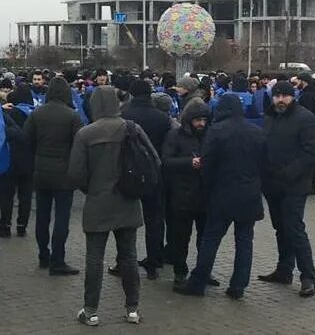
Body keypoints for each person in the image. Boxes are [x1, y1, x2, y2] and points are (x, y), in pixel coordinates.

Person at [68, 85, 151, 326]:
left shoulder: (85, 134)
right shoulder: (132, 128)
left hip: (98, 202)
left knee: (94, 258)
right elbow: (153, 159)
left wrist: (91, 188)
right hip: (128, 200)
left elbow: (75, 174)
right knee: (129, 255)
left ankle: (91, 310)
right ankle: (132, 309)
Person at [175, 94, 265, 299]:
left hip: (222, 194)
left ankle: (198, 283)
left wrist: (208, 188)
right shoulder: (256, 132)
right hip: (249, 195)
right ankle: (238, 286)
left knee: (211, 240)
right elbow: (263, 164)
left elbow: (207, 166)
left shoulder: (216, 132)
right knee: (244, 241)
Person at [259, 81, 315, 297]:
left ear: (293, 96)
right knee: (281, 229)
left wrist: (289, 172)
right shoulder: (269, 117)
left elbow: (311, 153)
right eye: (277, 96)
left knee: (294, 229)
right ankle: (284, 270)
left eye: (285, 96)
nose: (280, 100)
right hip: (272, 185)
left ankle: (308, 276)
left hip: (295, 185)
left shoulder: (305, 118)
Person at [23, 76, 82, 275]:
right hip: (64, 174)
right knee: (62, 218)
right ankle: (58, 259)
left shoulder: (37, 114)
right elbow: (79, 146)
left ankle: (43, 255)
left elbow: (26, 140)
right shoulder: (72, 116)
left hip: (41, 173)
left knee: (42, 216)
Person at [120, 77, 172, 279]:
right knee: (155, 219)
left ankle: (123, 261)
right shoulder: (162, 118)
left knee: (125, 220)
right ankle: (154, 260)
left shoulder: (123, 114)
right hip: (154, 174)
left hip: (128, 173)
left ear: (132, 94)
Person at [161, 98, 212, 286]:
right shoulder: (175, 136)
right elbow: (166, 161)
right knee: (180, 238)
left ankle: (203, 271)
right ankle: (179, 272)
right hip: (182, 195)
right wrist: (189, 163)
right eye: (198, 120)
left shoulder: (210, 135)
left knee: (205, 239)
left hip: (205, 196)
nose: (202, 124)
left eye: (204, 120)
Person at [0, 84, 35, 238]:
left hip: (11, 157)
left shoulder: (10, 113)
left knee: (7, 195)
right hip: (29, 159)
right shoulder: (35, 114)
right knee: (25, 196)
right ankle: (22, 226)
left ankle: (5, 226)